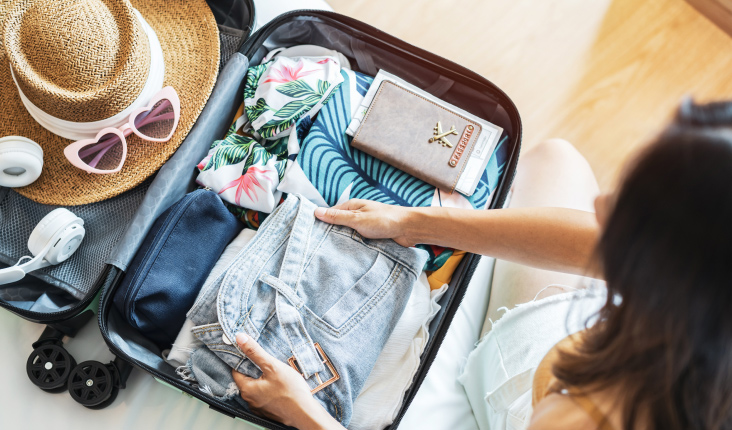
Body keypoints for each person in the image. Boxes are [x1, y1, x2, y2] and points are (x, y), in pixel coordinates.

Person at [229, 99, 732, 430]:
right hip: (577, 344)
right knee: (557, 159)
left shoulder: (581, 418)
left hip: (521, 402)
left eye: (625, 210)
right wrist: (416, 222)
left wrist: (306, 414)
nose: (600, 204)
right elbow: (597, 244)